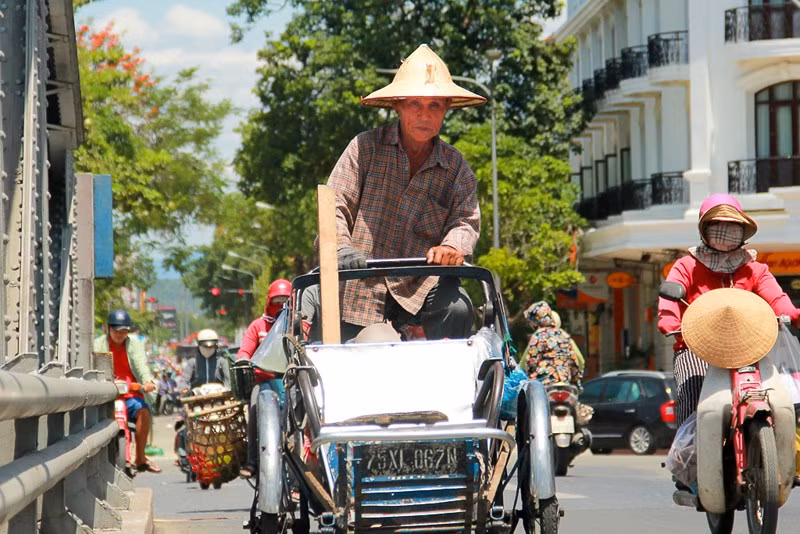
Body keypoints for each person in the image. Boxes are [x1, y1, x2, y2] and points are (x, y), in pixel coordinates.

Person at [305, 43, 484, 342]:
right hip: (358, 285)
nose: (424, 115)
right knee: (348, 357)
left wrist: (453, 247)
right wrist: (342, 248)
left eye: (434, 106)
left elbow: (466, 220)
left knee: (460, 309)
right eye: (414, 104)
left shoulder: (456, 166)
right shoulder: (364, 148)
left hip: (420, 285)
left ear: (446, 111)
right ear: (398, 106)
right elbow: (334, 205)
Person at [658, 193, 800, 427]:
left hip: (749, 346)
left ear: (742, 230)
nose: (724, 232)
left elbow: (777, 298)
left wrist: (794, 315)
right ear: (704, 228)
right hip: (696, 347)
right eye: (717, 225)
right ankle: (688, 450)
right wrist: (670, 320)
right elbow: (670, 299)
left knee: (779, 400)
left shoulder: (754, 268)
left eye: (732, 226)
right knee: (693, 399)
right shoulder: (686, 265)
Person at [93, 309, 161, 473]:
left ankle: (140, 457)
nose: (120, 335)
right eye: (117, 331)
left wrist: (147, 381)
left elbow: (141, 365)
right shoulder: (99, 344)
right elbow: (92, 365)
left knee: (144, 412)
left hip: (131, 395)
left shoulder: (134, 345)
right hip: (107, 396)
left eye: (124, 331)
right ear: (108, 329)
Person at [237, 279, 291, 478]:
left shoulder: (296, 325)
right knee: (254, 407)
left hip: (290, 381)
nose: (280, 307)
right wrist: (243, 358)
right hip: (264, 382)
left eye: (285, 302)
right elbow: (245, 350)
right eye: (276, 302)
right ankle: (252, 462)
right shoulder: (258, 326)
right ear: (269, 303)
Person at [523, 301, 582, 387]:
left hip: (544, 383)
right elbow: (574, 362)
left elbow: (532, 362)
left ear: (535, 320)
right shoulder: (563, 335)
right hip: (565, 382)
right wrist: (575, 381)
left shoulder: (538, 335)